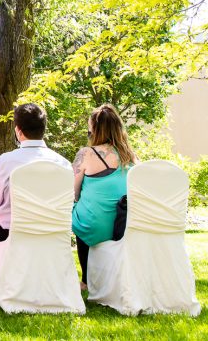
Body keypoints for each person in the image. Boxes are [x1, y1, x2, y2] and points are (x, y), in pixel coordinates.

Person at [0, 103, 70, 263]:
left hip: (10, 231)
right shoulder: (63, 164)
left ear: (18, 130)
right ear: (43, 128)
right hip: (53, 230)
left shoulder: (6, 161)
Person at [72, 103, 137, 289]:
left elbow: (73, 193)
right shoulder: (130, 157)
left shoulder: (85, 154)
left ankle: (86, 279)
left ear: (96, 132)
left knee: (76, 211)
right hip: (125, 225)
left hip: (96, 227)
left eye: (89, 132)